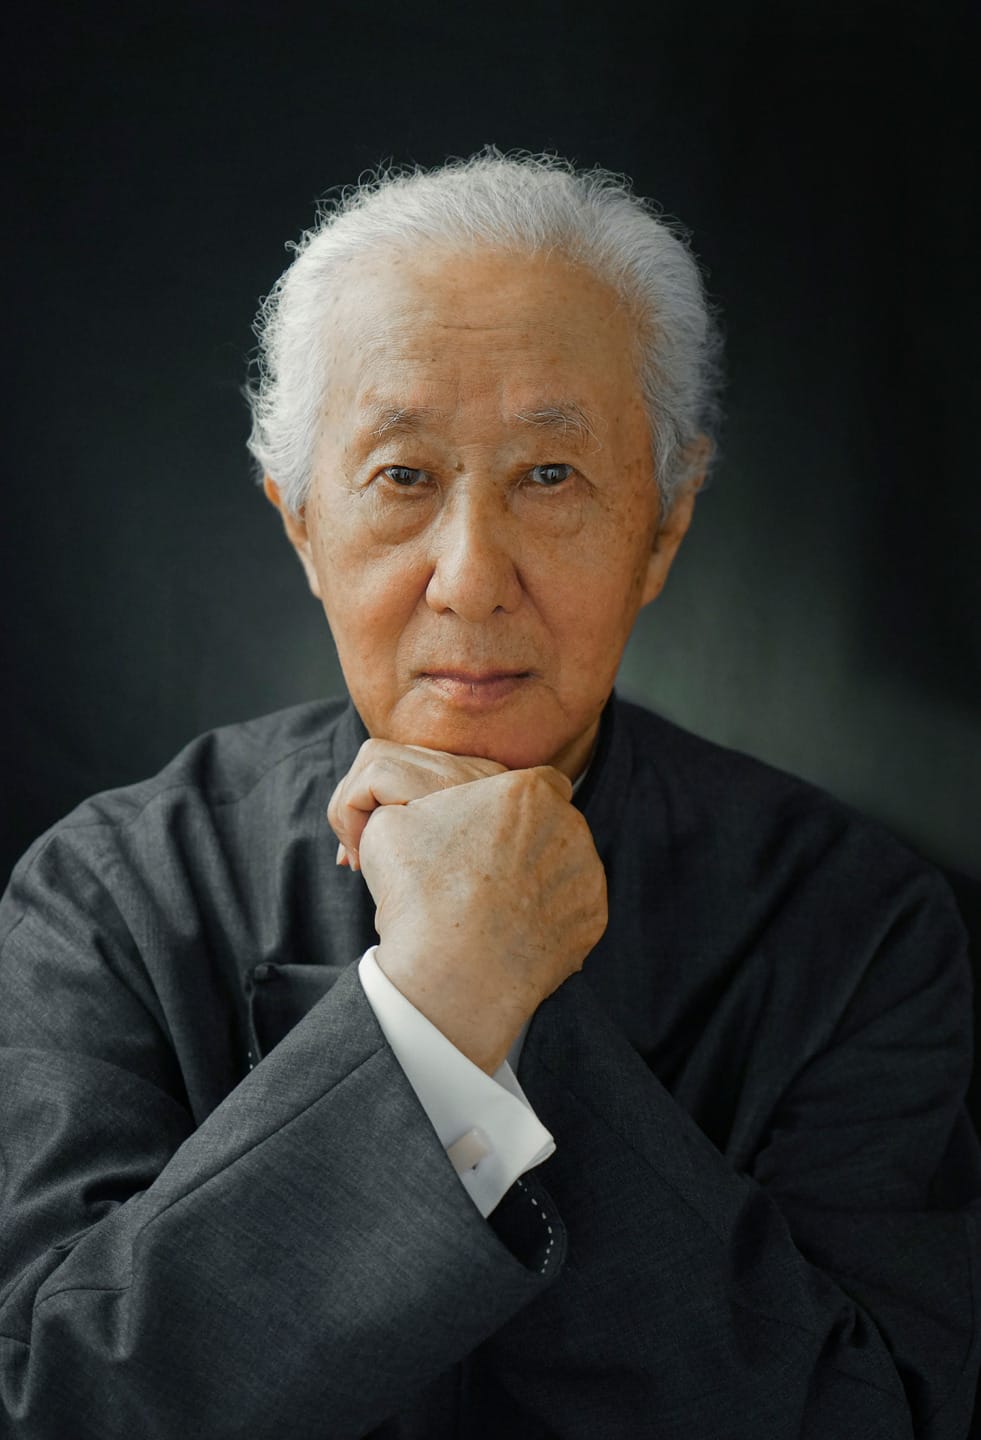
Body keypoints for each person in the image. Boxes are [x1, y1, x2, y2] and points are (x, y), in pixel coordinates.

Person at [0, 149, 978, 1440]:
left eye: (550, 476)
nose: (469, 579)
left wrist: (494, 994)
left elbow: (870, 1419)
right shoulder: (109, 895)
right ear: (300, 523)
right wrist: (442, 1001)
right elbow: (55, 1402)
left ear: (664, 526)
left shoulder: (860, 926)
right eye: (403, 476)